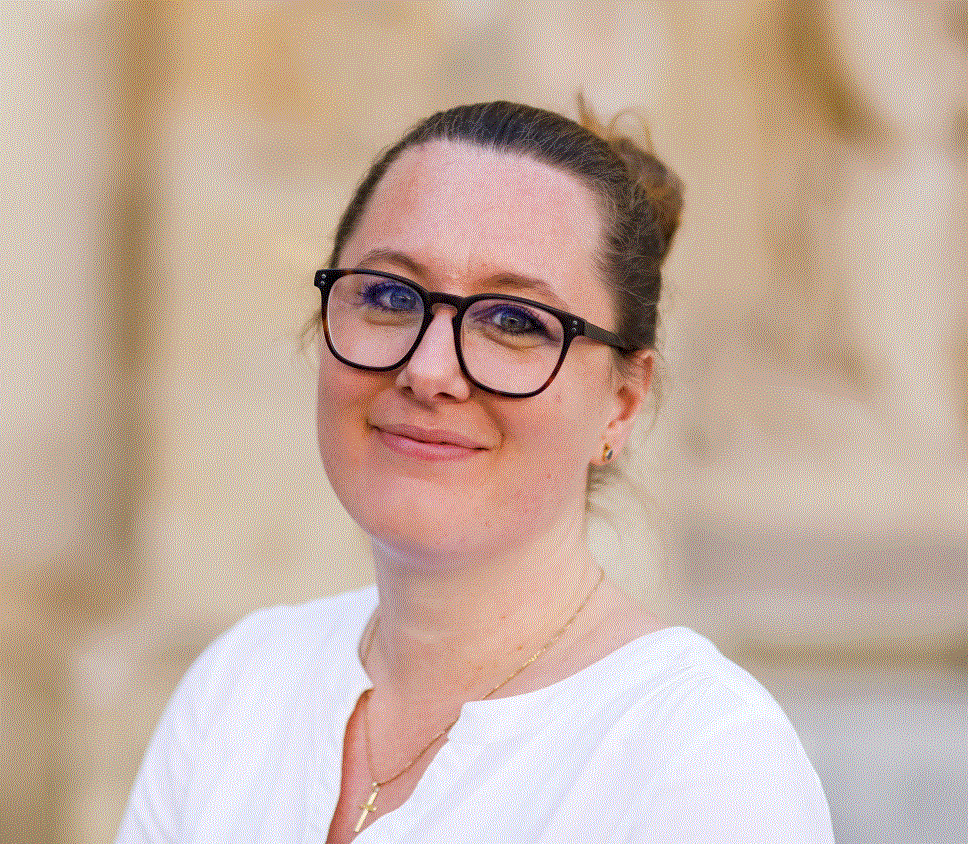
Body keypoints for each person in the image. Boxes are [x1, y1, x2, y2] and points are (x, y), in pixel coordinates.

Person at [115, 101, 834, 844]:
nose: (429, 370)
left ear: (621, 405)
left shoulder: (700, 759)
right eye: (389, 296)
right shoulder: (243, 686)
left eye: (514, 321)